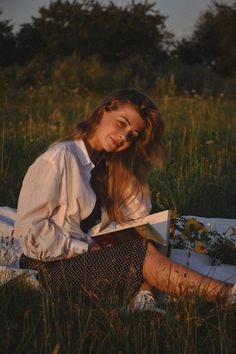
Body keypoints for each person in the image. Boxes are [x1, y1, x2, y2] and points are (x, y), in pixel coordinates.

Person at [14, 88, 235, 307]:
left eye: (134, 134)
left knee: (153, 236)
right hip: (49, 265)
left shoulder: (110, 164)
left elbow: (136, 216)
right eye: (121, 123)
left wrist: (132, 168)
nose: (124, 136)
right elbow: (29, 232)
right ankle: (226, 296)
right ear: (102, 113)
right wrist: (86, 249)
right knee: (140, 252)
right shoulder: (59, 159)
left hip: (86, 257)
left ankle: (143, 298)